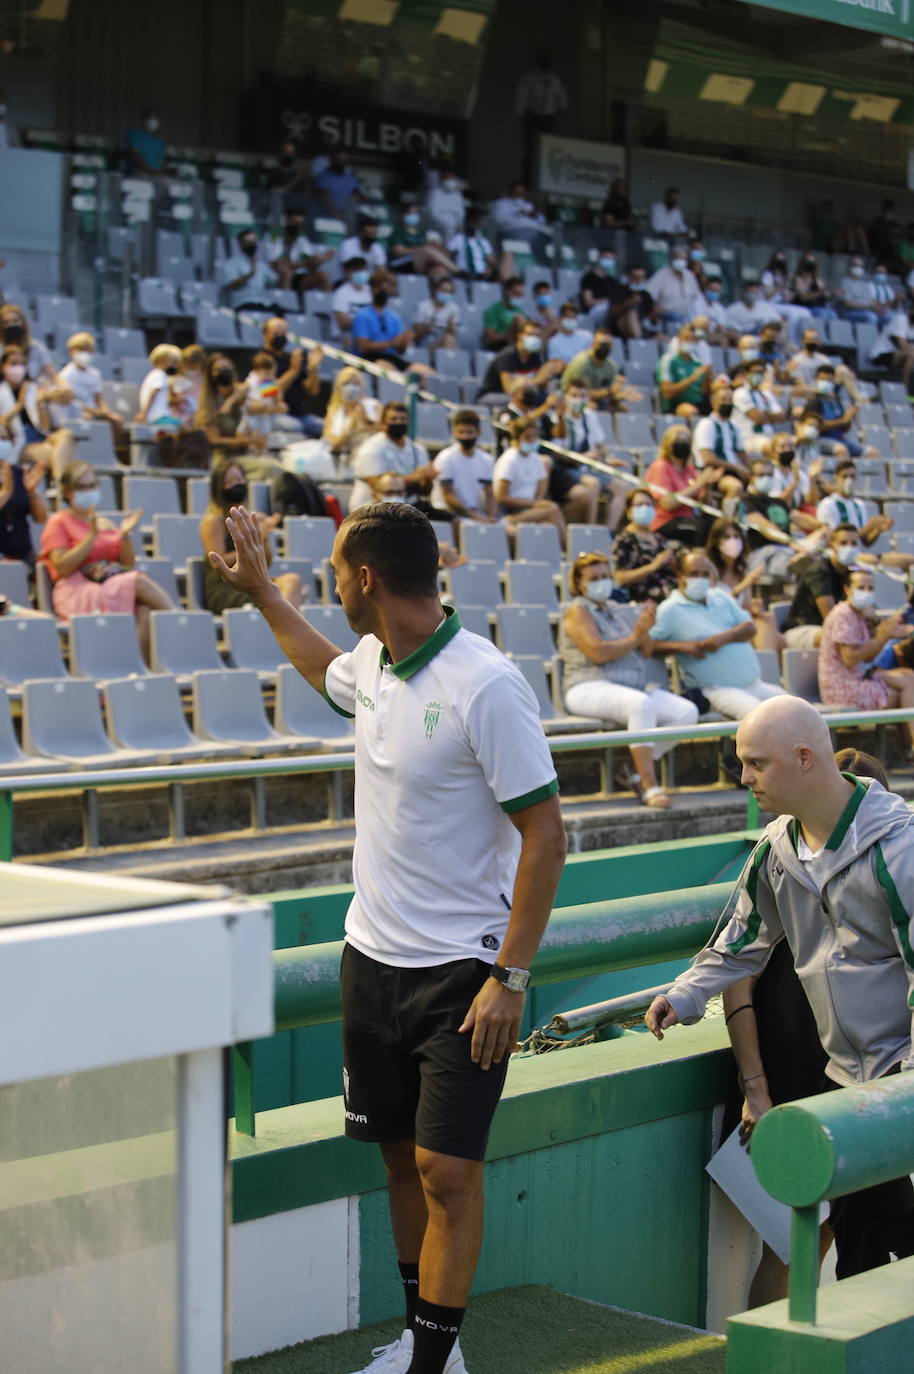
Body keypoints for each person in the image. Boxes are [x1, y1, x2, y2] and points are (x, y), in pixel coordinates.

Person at [208, 500, 566, 1374]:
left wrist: (509, 977)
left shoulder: (485, 683)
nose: (331, 588)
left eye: (335, 574)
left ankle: (438, 1362)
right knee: (402, 1163)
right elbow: (323, 665)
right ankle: (422, 1343)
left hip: (463, 975)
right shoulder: (371, 660)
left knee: (449, 1172)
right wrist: (261, 594)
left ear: (367, 579)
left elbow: (547, 834)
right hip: (370, 962)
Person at [645, 695, 914, 1282]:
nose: (743, 778)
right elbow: (739, 942)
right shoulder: (776, 848)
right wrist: (686, 993)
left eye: (756, 764)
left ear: (804, 758)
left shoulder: (900, 846)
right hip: (843, 1084)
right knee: (861, 1259)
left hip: (901, 1083)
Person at [561, 552, 698, 804]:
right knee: (639, 704)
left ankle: (634, 770)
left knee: (687, 712)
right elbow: (597, 652)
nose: (601, 581)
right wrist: (635, 636)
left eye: (605, 575)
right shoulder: (576, 611)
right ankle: (649, 785)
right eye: (594, 578)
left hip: (631, 686)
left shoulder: (618, 609)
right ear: (579, 584)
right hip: (586, 686)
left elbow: (645, 651)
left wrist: (645, 628)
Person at [39, 460, 171, 657]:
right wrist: (91, 537)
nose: (89, 491)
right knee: (138, 580)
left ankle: (136, 668)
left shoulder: (106, 523)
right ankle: (180, 620)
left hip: (109, 584)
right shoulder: (58, 521)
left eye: (92, 485)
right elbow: (62, 567)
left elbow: (127, 564)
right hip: (76, 589)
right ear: (67, 492)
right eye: (82, 487)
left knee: (144, 612)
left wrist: (125, 535)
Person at [650, 548, 786, 718]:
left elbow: (750, 628)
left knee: (796, 710)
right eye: (694, 574)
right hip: (715, 690)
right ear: (680, 576)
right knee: (761, 718)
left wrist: (722, 638)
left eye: (705, 574)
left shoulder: (720, 596)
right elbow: (649, 646)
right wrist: (681, 647)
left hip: (754, 684)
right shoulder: (670, 609)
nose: (700, 579)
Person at [818, 567, 914, 737]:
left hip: (860, 678)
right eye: (861, 588)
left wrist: (885, 634)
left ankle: (909, 749)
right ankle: (910, 746)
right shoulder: (843, 615)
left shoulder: (858, 614)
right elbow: (849, 658)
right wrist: (882, 637)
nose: (866, 592)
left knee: (909, 676)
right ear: (847, 589)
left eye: (870, 588)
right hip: (843, 687)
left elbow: (868, 657)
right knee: (904, 691)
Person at [199, 460, 300, 614]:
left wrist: (262, 539)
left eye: (239, 480)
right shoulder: (213, 520)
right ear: (219, 488)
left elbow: (267, 562)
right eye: (230, 482)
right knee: (284, 597)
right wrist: (251, 542)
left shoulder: (248, 517)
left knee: (292, 581)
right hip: (226, 587)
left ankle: (285, 633)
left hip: (250, 581)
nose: (237, 484)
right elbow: (218, 563)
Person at [705, 516, 783, 653]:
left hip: (740, 622)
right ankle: (767, 668)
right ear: (716, 542)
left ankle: (767, 668)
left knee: (768, 620)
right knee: (772, 637)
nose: (732, 541)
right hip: (719, 624)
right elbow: (715, 605)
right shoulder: (709, 570)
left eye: (736, 536)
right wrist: (744, 585)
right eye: (726, 537)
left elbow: (745, 608)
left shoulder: (742, 570)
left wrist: (754, 608)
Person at [0, 345, 75, 482]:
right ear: (2, 367)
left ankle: (59, 486)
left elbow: (44, 429)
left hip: (39, 438)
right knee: (58, 456)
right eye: (13, 364)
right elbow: (2, 424)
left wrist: (41, 405)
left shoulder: (32, 388)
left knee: (67, 435)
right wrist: (19, 406)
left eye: (22, 364)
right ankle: (60, 487)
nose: (18, 368)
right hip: (19, 442)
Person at [350, 402, 437, 513]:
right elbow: (377, 484)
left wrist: (427, 479)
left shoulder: (418, 449)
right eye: (394, 419)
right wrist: (418, 475)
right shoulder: (372, 447)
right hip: (370, 507)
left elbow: (425, 490)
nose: (399, 422)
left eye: (403, 419)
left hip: (408, 505)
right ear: (383, 423)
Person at [782, 524, 859, 650]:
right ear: (832, 544)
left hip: (834, 628)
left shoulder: (853, 571)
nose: (849, 547)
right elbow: (830, 616)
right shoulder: (819, 571)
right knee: (842, 637)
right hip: (803, 629)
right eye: (844, 543)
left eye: (854, 543)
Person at [644, 425, 723, 546]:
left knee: (720, 526)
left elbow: (704, 505)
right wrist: (698, 484)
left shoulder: (689, 469)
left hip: (689, 518)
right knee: (702, 528)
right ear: (668, 444)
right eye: (679, 441)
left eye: (686, 441)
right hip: (665, 521)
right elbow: (668, 504)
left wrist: (706, 487)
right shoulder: (661, 467)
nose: (683, 444)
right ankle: (698, 561)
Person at [492, 417, 565, 539]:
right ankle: (567, 551)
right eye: (527, 437)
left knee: (549, 526)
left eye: (535, 436)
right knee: (552, 509)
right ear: (517, 438)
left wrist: (537, 503)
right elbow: (501, 497)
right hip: (509, 513)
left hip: (528, 511)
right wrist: (533, 503)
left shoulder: (536, 459)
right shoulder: (509, 460)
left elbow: (541, 489)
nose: (532, 440)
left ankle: (562, 552)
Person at [262, 318, 330, 439]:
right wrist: (293, 371)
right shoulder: (261, 359)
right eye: (276, 333)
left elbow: (312, 391)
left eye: (283, 334)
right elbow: (267, 392)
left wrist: (313, 368)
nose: (280, 337)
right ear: (265, 335)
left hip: (301, 414)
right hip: (275, 414)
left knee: (327, 427)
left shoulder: (292, 358)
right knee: (295, 427)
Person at [431, 411, 498, 526]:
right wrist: (477, 518)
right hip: (448, 514)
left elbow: (490, 494)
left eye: (469, 432)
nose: (465, 436)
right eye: (461, 432)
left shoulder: (486, 460)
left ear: (478, 432)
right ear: (454, 433)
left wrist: (491, 517)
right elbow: (449, 496)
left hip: (474, 514)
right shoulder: (445, 458)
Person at [612, 488, 677, 605]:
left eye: (648, 505)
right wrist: (653, 566)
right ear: (629, 511)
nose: (645, 508)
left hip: (672, 596)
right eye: (639, 505)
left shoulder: (659, 538)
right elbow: (620, 578)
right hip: (646, 601)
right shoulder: (624, 540)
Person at [815, 459, 892, 549]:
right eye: (845, 477)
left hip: (858, 552)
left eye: (852, 477)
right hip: (837, 553)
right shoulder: (828, 504)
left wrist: (877, 529)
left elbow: (865, 541)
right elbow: (833, 537)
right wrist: (868, 527)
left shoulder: (859, 505)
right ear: (836, 479)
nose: (849, 481)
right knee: (873, 560)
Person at [0, 432, 47, 567]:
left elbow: (41, 518)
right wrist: (5, 493)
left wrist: (32, 493)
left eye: (4, 438)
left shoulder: (20, 474)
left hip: (25, 554)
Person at [352, 273, 414, 369]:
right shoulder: (362, 314)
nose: (383, 292)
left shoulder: (394, 317)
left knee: (423, 372)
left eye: (386, 290)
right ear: (373, 290)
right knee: (388, 369)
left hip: (391, 357)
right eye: (380, 289)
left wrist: (404, 342)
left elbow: (400, 350)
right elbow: (363, 347)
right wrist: (390, 344)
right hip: (368, 358)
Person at [323, 368, 380, 470]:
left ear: (362, 387)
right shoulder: (333, 412)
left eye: (355, 384)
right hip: (342, 461)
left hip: (371, 458)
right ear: (338, 387)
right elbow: (333, 445)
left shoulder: (374, 406)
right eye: (346, 383)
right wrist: (352, 427)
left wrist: (366, 422)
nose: (351, 387)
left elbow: (383, 433)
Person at [265, 210, 333, 293]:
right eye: (294, 222)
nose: (297, 226)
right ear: (287, 221)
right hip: (274, 277)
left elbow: (310, 262)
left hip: (296, 277)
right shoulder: (273, 235)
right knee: (287, 273)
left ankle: (329, 305)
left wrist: (321, 259)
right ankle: (285, 304)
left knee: (323, 275)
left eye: (300, 224)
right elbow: (278, 265)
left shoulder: (301, 238)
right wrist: (305, 263)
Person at [731, 357, 788, 454]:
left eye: (761, 372)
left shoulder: (766, 394)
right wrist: (770, 416)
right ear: (746, 374)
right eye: (755, 372)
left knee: (788, 443)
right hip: (747, 438)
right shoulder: (740, 393)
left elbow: (782, 417)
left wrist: (764, 414)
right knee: (779, 448)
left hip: (769, 437)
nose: (758, 375)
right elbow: (758, 418)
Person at [219, 229, 282, 313]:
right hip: (244, 303)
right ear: (241, 244)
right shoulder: (231, 264)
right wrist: (250, 274)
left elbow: (275, 282)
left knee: (287, 315)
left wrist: (281, 269)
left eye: (254, 241)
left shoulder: (261, 264)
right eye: (248, 242)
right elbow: (231, 285)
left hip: (265, 303)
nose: (252, 244)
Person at [387, 210, 459, 282]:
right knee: (427, 250)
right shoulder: (398, 232)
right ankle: (457, 271)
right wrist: (422, 249)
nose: (414, 215)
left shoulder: (422, 234)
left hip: (421, 263)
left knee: (439, 269)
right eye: (411, 213)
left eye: (415, 213)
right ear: (402, 216)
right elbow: (399, 251)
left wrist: (435, 247)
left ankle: (439, 291)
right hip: (403, 263)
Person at [692, 383, 747, 476]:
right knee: (734, 486)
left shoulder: (734, 425)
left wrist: (749, 471)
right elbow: (707, 459)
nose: (728, 403)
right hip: (712, 471)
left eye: (730, 400)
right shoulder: (707, 424)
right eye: (724, 400)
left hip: (733, 470)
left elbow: (742, 453)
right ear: (713, 403)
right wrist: (735, 466)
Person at [560, 329, 623, 409]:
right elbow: (579, 392)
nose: (604, 348)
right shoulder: (581, 363)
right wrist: (609, 392)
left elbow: (612, 390)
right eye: (601, 344)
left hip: (597, 399)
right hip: (570, 397)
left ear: (612, 346)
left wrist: (620, 395)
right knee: (592, 406)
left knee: (620, 409)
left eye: (607, 345)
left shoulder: (611, 366)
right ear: (593, 344)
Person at [657, 325, 711, 417]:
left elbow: (704, 392)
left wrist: (708, 379)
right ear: (678, 340)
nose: (689, 342)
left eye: (692, 339)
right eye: (686, 338)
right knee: (690, 411)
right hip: (677, 404)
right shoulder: (669, 360)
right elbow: (667, 393)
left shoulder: (698, 362)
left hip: (700, 403)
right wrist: (692, 378)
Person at [646, 250, 705, 330]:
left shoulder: (689, 276)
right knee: (677, 318)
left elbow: (697, 298)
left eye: (683, 259)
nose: (680, 261)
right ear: (672, 259)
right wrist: (655, 308)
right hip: (667, 315)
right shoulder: (661, 275)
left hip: (688, 316)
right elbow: (648, 295)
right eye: (677, 258)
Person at [239, 352, 287, 441]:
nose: (267, 375)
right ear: (256, 370)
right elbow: (252, 406)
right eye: (266, 372)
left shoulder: (269, 382)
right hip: (250, 418)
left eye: (270, 372)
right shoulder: (251, 381)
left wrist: (273, 384)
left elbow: (280, 404)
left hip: (264, 417)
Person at [870, 301, 914, 396]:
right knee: (910, 355)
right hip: (880, 355)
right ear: (911, 310)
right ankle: (904, 391)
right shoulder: (901, 319)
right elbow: (903, 346)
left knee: (911, 355)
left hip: (899, 357)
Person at [490, 182, 550, 247]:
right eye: (517, 192)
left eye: (522, 192)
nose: (519, 194)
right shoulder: (501, 203)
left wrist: (535, 215)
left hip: (535, 231)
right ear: (511, 191)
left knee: (552, 239)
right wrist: (518, 214)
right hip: (513, 231)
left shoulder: (527, 204)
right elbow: (498, 220)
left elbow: (542, 220)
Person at [313, 148, 361, 220]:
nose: (341, 162)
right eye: (338, 159)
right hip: (327, 217)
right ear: (332, 159)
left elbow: (355, 195)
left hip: (348, 216)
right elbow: (326, 198)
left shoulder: (350, 178)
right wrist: (337, 214)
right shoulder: (323, 176)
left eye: (343, 159)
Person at [332, 258, 373, 340]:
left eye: (362, 269)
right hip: (347, 335)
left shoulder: (371, 290)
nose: (359, 273)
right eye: (356, 270)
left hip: (369, 334)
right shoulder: (341, 293)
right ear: (347, 273)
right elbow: (343, 323)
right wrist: (367, 321)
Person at [413, 279, 459, 350]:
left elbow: (452, 333)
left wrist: (450, 325)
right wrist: (430, 325)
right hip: (426, 340)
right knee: (448, 341)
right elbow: (418, 334)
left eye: (449, 292)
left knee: (449, 340)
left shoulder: (453, 308)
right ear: (436, 290)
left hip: (444, 337)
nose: (446, 294)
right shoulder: (424, 305)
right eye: (443, 290)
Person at [482, 277, 526, 352]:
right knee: (518, 319)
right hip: (501, 346)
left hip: (517, 343)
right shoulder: (493, 310)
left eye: (521, 295)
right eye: (516, 294)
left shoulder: (519, 310)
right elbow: (489, 338)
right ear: (507, 292)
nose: (519, 298)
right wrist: (510, 334)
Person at [791, 254, 835, 322]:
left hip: (818, 306)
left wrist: (832, 293)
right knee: (821, 313)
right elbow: (803, 297)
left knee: (832, 314)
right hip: (805, 307)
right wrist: (819, 293)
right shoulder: (798, 279)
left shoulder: (817, 279)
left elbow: (825, 293)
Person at [427, 171, 466, 243]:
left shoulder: (457, 194)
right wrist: (451, 222)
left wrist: (460, 222)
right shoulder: (435, 192)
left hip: (457, 222)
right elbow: (434, 213)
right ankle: (448, 249)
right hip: (440, 223)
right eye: (447, 178)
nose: (450, 181)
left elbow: (461, 212)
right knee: (450, 227)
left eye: (452, 178)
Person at [126, 106, 165, 176]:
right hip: (138, 173)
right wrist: (149, 170)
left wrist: (159, 172)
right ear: (144, 119)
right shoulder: (135, 134)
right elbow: (135, 155)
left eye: (154, 118)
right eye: (150, 117)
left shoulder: (159, 142)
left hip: (156, 175)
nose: (152, 120)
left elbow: (161, 162)